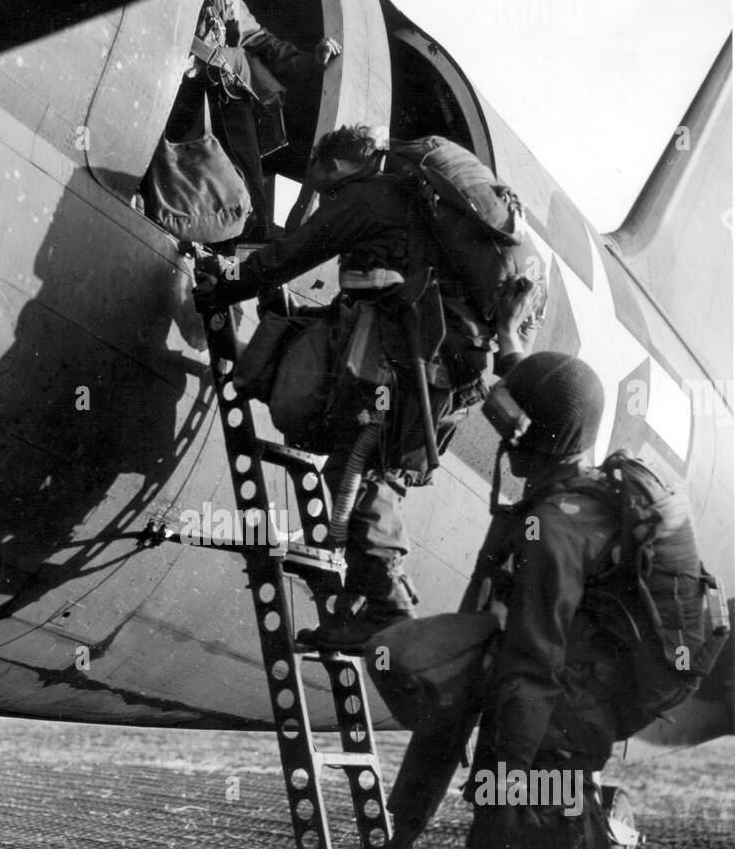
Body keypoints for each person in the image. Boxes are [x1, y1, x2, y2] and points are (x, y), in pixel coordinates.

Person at [195, 122, 543, 651]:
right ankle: (361, 603)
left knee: (364, 475)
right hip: (449, 366)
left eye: (325, 186)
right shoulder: (414, 200)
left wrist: (225, 287)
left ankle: (388, 607)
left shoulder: (370, 195)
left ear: (336, 168)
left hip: (416, 366)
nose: (329, 198)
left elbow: (295, 253)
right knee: (368, 471)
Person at [455, 351, 668, 849]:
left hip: (544, 741)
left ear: (534, 432)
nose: (500, 437)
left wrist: (507, 767)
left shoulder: (556, 524)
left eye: (509, 421)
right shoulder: (554, 509)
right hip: (528, 732)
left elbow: (534, 660)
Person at [167, 0, 341, 241]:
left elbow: (268, 46)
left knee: (246, 191)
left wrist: (312, 61)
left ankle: (235, 256)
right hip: (178, 92)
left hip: (227, 98)